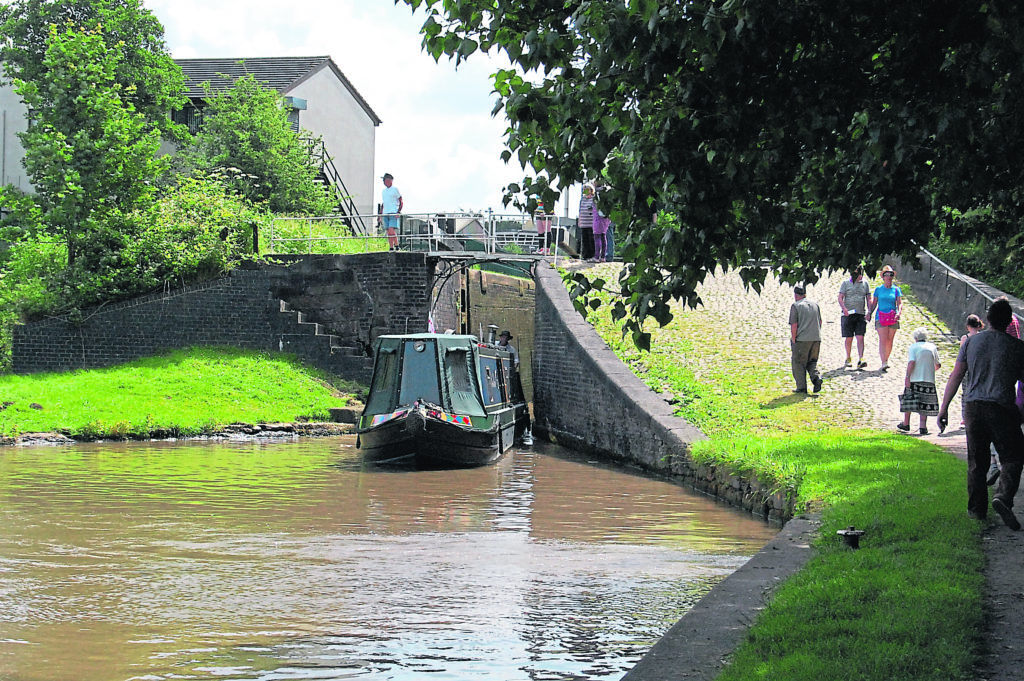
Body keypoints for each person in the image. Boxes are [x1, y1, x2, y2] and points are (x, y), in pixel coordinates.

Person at [938, 298, 1024, 528]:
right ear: (1009, 322)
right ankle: (1003, 496)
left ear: (987, 320)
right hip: (1002, 408)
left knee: (977, 462)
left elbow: (956, 375)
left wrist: (944, 407)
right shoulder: (1018, 348)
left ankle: (976, 511)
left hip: (973, 407)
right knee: (1014, 456)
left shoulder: (971, 343)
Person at [897, 328, 941, 434]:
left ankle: (906, 423)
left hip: (914, 378)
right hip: (929, 379)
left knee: (908, 400)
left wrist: (907, 376)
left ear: (915, 338)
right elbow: (938, 365)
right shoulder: (932, 347)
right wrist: (930, 371)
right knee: (924, 402)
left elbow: (911, 362)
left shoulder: (913, 347)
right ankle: (923, 426)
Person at [789, 285, 823, 393]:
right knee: (812, 361)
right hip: (816, 338)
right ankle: (816, 378)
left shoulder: (795, 306)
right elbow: (820, 322)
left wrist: (794, 338)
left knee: (798, 362)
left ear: (795, 295)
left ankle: (801, 387)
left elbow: (794, 324)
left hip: (802, 339)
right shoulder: (815, 305)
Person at [868, 264, 902, 371]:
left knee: (890, 340)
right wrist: (869, 312)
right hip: (881, 316)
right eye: (886, 274)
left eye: (890, 274)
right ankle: (883, 361)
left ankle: (886, 358)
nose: (888, 277)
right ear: (883, 277)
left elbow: (899, 303)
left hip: (893, 317)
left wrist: (899, 313)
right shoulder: (878, 290)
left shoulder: (896, 290)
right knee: (883, 339)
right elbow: (874, 303)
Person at [837, 265, 871, 369]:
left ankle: (861, 358)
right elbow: (840, 297)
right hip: (848, 315)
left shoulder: (865, 284)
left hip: (860, 314)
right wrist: (844, 308)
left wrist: (869, 311)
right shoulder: (846, 283)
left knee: (860, 337)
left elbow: (868, 298)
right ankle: (848, 357)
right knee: (849, 337)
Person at [380, 173, 403, 251]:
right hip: (386, 213)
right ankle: (391, 247)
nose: (384, 182)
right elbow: (384, 203)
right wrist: (380, 214)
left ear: (389, 180)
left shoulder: (395, 189)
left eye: (385, 180)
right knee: (388, 232)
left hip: (393, 212)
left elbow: (401, 201)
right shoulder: (384, 191)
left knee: (391, 230)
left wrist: (398, 211)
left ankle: (396, 245)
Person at [577, 185, 596, 260]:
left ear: (591, 190)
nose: (585, 191)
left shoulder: (594, 199)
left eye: (587, 189)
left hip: (591, 222)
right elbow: (580, 210)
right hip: (584, 222)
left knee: (591, 239)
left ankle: (592, 255)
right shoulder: (582, 199)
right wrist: (579, 220)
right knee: (585, 239)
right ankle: (585, 255)